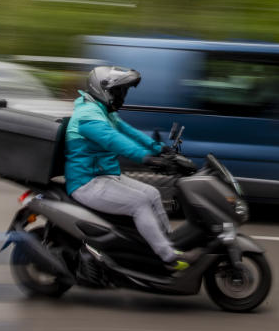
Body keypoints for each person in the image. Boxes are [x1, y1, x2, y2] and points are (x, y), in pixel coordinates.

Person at [65, 65, 202, 271]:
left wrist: (160, 149)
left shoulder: (104, 111)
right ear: (104, 89)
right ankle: (169, 258)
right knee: (139, 202)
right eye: (120, 91)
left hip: (105, 176)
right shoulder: (87, 115)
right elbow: (114, 140)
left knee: (153, 193)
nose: (123, 97)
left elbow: (129, 132)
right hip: (87, 183)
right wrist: (146, 159)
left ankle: (167, 242)